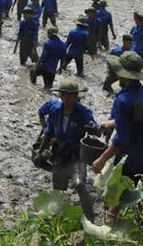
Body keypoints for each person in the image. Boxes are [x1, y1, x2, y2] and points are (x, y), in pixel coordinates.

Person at [92, 51, 143, 210]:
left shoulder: (122, 100)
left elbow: (122, 140)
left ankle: (111, 226)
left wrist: (101, 159)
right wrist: (113, 122)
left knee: (113, 202)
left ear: (124, 75)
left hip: (131, 160)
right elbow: (138, 121)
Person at [35, 79, 96, 219]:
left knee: (79, 185)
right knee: (58, 190)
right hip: (59, 155)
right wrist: (40, 151)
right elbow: (49, 131)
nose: (66, 98)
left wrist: (92, 129)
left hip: (76, 156)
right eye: (63, 94)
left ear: (76, 96)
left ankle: (90, 218)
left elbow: (94, 128)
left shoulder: (83, 112)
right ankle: (57, 220)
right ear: (60, 95)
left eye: (70, 95)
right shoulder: (55, 109)